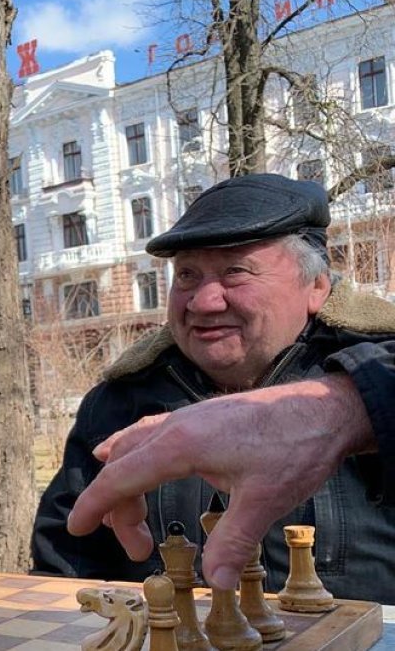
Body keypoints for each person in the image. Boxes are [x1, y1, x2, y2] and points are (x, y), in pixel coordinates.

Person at [32, 173, 395, 604]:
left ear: (316, 285)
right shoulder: (118, 403)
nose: (203, 302)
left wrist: (347, 409)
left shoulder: (375, 370)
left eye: (235, 271)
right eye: (187, 275)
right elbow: (66, 566)